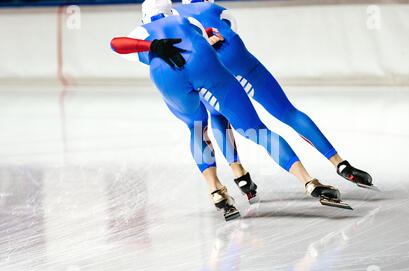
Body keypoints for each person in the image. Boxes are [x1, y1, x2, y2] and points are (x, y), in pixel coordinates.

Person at [110, 0, 351, 221]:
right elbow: (210, 35)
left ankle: (216, 191)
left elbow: (116, 44)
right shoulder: (188, 20)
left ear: (144, 18)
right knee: (257, 130)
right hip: (205, 65)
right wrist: (210, 36)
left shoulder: (141, 31)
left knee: (196, 127)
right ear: (170, 11)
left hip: (167, 77)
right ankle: (309, 181)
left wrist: (151, 45)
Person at [174, 0, 375, 189]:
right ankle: (340, 163)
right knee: (288, 112)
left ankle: (239, 175)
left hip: (207, 68)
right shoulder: (213, 7)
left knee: (221, 117)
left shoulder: (176, 18)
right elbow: (231, 24)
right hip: (235, 53)